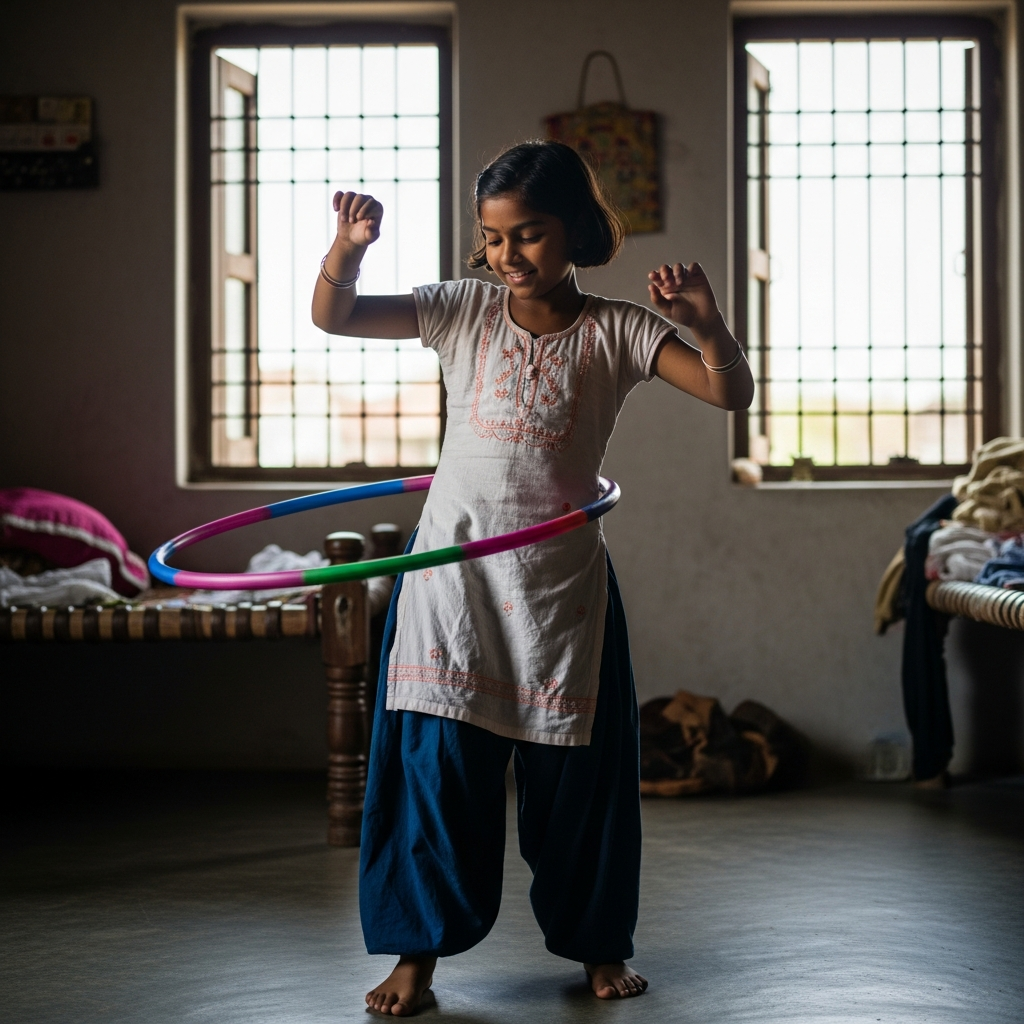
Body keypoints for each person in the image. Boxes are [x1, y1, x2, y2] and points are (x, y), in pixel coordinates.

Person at [311, 140, 753, 1016]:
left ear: (577, 231)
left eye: (532, 235)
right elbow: (337, 317)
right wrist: (347, 252)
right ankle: (415, 958)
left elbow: (728, 395)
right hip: (451, 594)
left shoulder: (619, 330)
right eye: (495, 237)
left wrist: (705, 324)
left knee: (578, 789)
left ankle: (597, 948)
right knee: (437, 780)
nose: (510, 255)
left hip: (558, 595)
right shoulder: (462, 310)